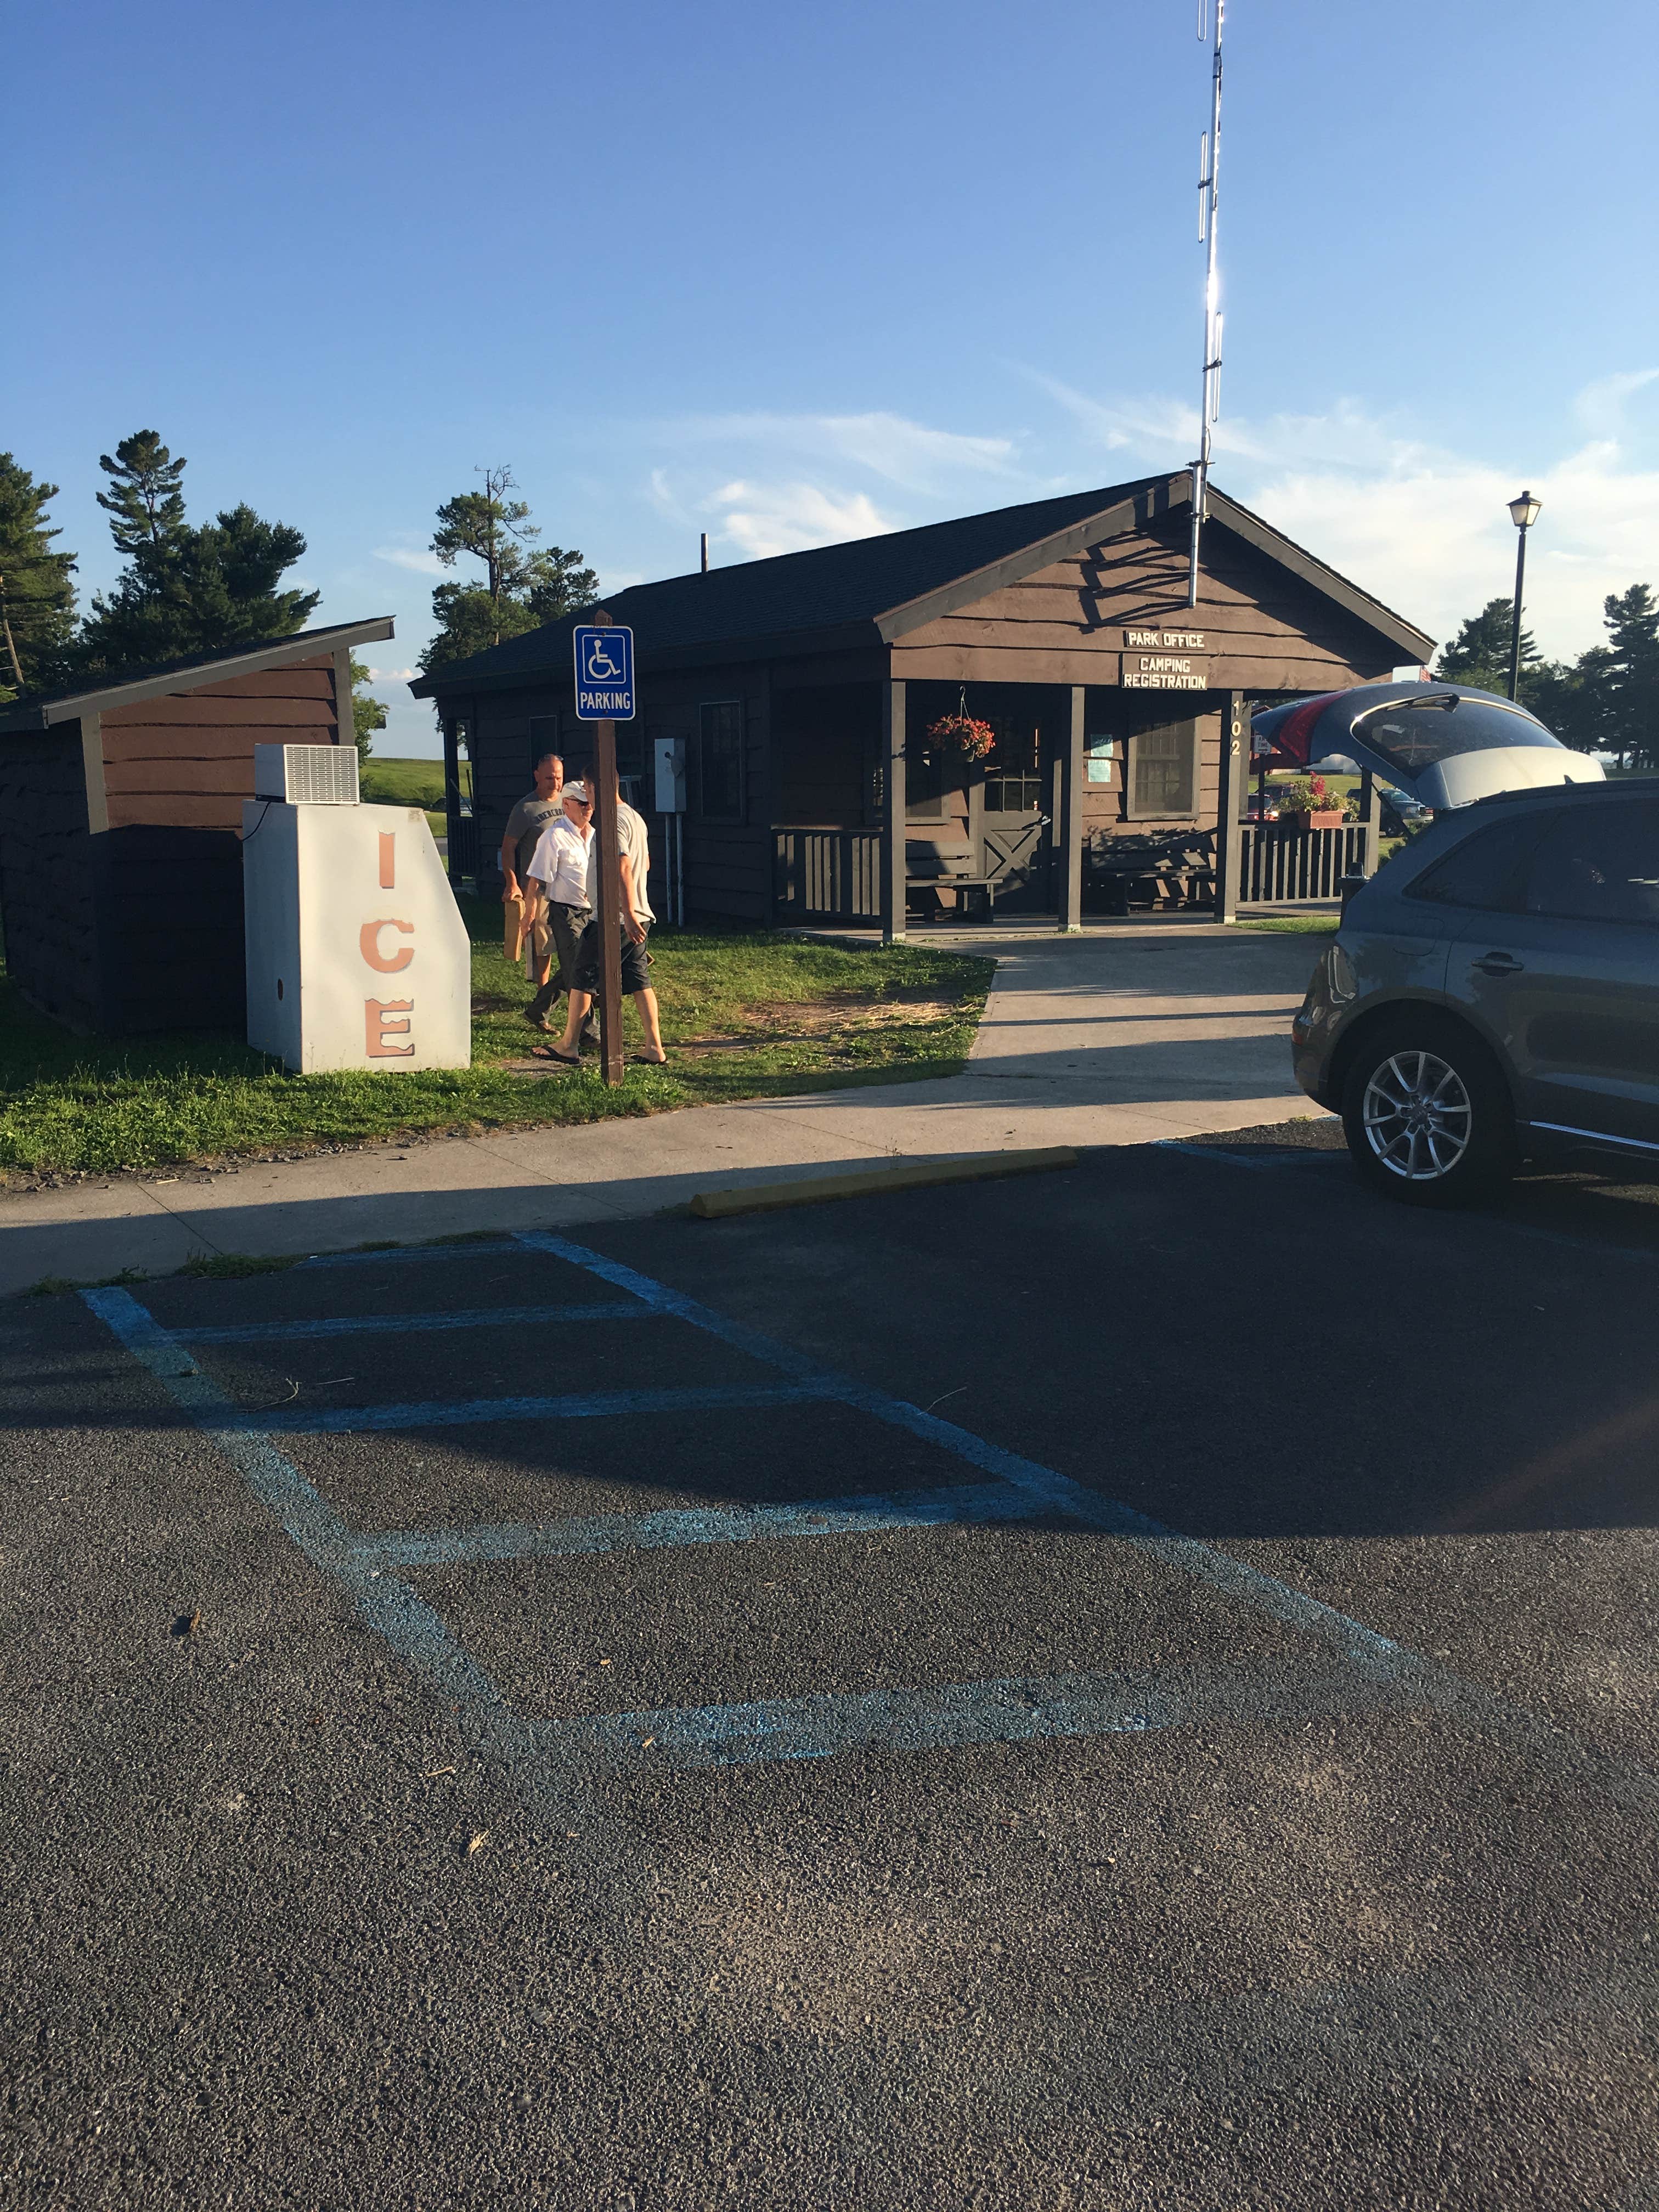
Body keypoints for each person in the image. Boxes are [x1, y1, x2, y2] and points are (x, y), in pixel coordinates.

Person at [544, 788, 665, 1066]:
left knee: (583, 977)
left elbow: (622, 865)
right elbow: (643, 864)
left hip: (616, 918)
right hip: (637, 914)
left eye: (589, 793)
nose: (588, 803)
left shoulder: (614, 822)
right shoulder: (636, 818)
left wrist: (628, 912)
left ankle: (568, 1045)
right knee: (638, 979)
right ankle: (654, 1047)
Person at [523, 782, 599, 1045]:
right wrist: (528, 915)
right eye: (582, 803)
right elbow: (536, 879)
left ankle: (538, 1010)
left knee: (574, 966)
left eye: (590, 802)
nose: (589, 808)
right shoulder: (554, 836)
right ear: (566, 805)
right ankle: (590, 1032)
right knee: (579, 970)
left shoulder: (593, 835)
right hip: (565, 911)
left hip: (590, 911)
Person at [499, 753, 563, 984]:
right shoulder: (525, 808)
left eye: (558, 778)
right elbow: (508, 848)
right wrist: (512, 882)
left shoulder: (570, 801)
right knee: (542, 940)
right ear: (537, 776)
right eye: (549, 778)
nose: (555, 784)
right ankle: (543, 991)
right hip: (538, 886)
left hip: (567, 882)